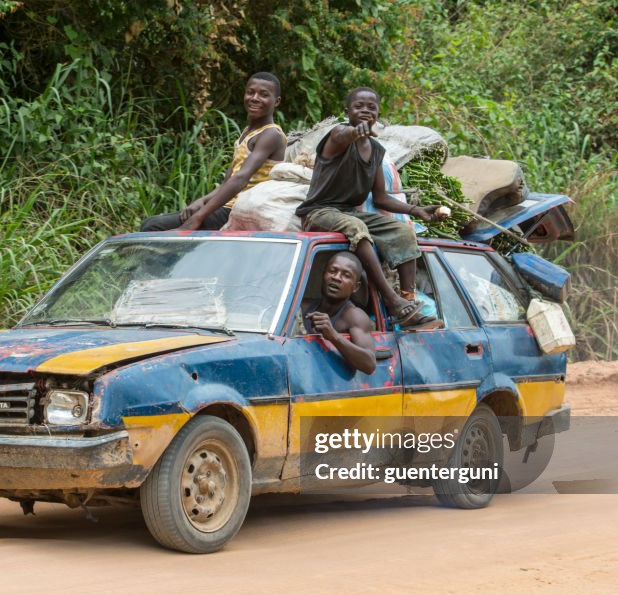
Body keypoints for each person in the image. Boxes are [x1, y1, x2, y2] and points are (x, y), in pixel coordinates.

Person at [295, 87, 444, 329]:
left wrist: (416, 211)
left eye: (371, 107)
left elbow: (381, 198)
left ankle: (407, 301)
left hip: (348, 212)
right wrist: (355, 132)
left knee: (404, 231)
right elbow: (343, 135)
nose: (365, 111)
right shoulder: (338, 135)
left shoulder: (376, 150)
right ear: (347, 111)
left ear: (378, 113)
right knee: (357, 227)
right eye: (358, 106)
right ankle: (391, 299)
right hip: (320, 212)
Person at [140, 72, 287, 232]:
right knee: (153, 223)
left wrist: (198, 217)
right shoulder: (247, 132)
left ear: (276, 101)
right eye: (250, 92)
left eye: (264, 95)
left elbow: (240, 178)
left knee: (153, 226)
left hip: (239, 210)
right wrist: (201, 201)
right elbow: (227, 182)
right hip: (227, 205)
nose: (254, 98)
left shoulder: (271, 134)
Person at [304, 251, 377, 374]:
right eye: (332, 271)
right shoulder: (304, 306)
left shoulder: (355, 316)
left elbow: (369, 364)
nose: (336, 277)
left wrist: (333, 335)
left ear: (356, 287)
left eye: (346, 275)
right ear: (324, 274)